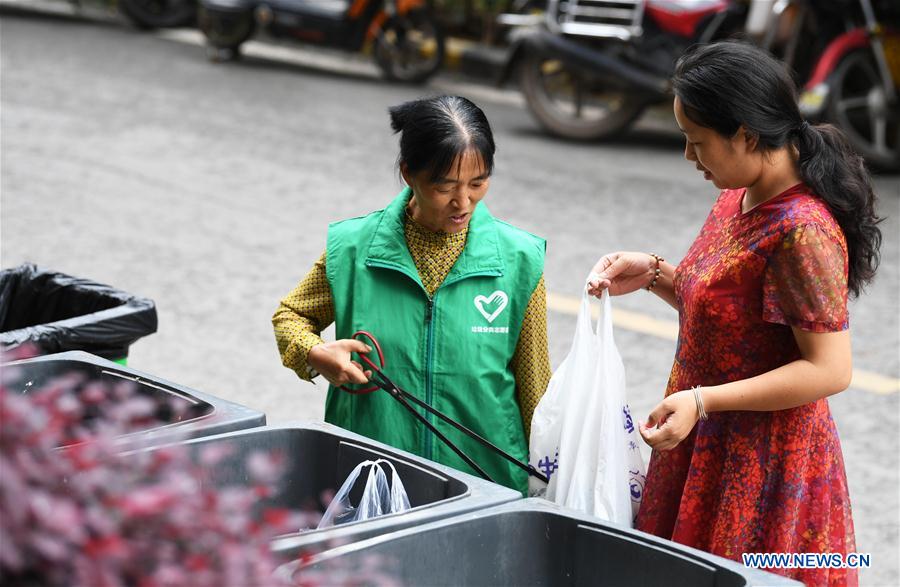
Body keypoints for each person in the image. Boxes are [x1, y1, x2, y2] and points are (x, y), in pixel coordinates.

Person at [587, 42, 882, 585]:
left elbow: (829, 369)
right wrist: (656, 273)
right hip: (702, 437)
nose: (688, 156)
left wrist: (704, 401)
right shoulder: (738, 192)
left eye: (697, 142)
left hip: (761, 464)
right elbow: (735, 321)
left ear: (746, 135)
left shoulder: (803, 231)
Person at [273, 95, 551, 494]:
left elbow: (535, 386)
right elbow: (291, 317)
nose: (463, 202)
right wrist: (316, 353)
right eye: (445, 187)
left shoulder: (520, 260)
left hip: (484, 485)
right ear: (409, 174)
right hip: (371, 478)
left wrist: (543, 485)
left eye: (478, 183)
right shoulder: (353, 249)